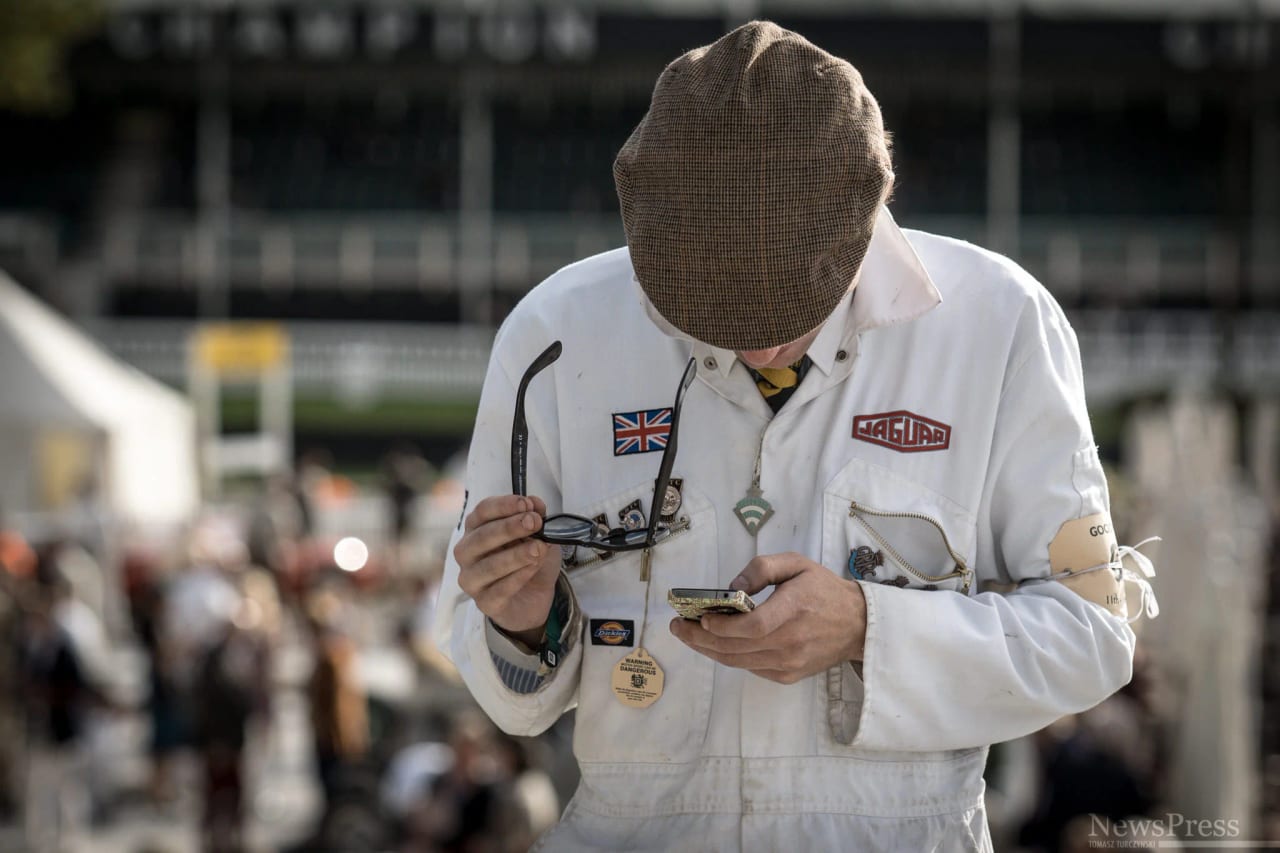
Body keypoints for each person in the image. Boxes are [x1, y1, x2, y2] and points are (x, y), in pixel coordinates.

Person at [433, 20, 1158, 852]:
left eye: (788, 303)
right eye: (710, 307)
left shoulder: (1003, 327)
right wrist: (524, 623)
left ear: (874, 210)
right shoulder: (554, 337)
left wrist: (866, 627)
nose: (756, 344)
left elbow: (1095, 634)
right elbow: (508, 692)